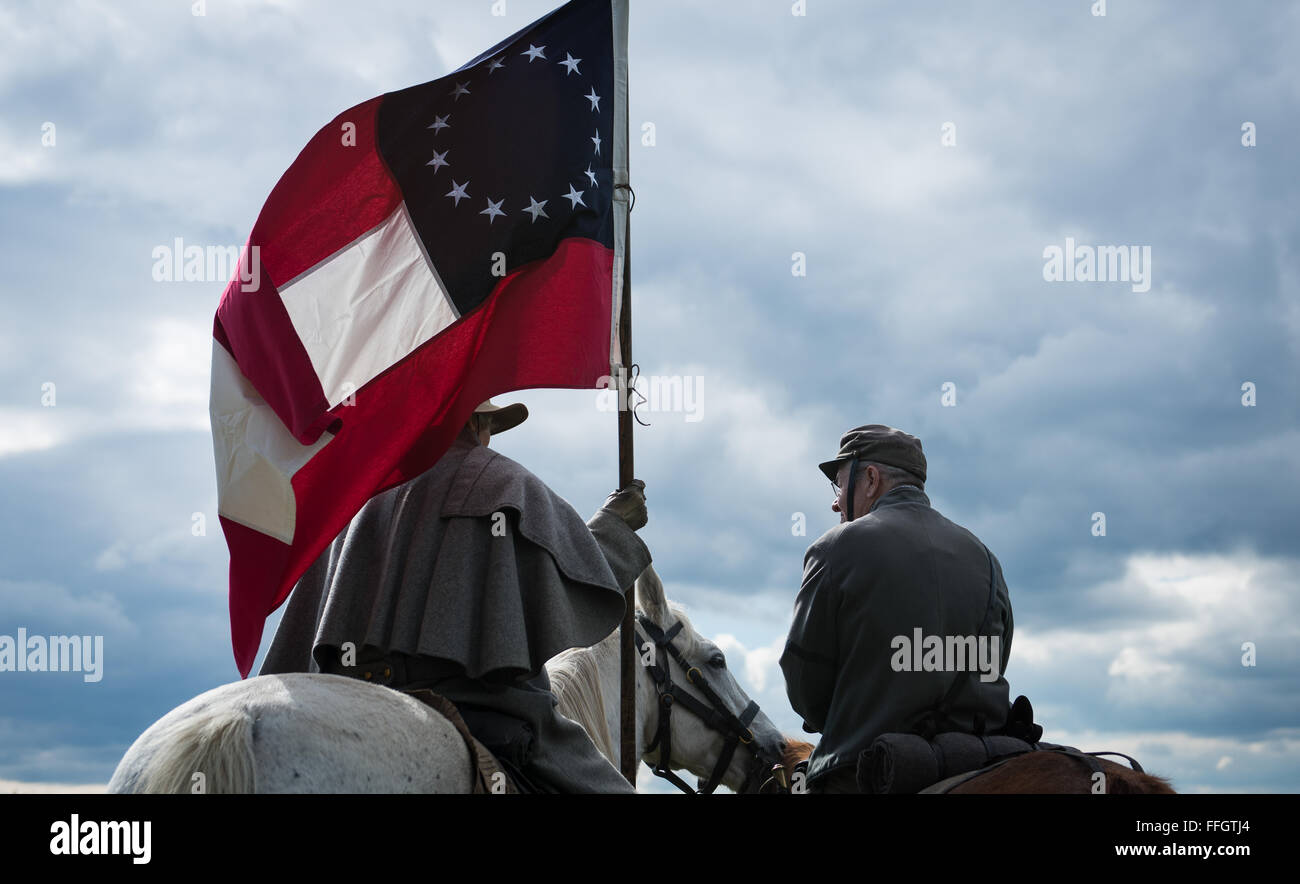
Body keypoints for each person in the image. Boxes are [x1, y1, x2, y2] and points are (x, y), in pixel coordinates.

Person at [259, 399, 650, 793]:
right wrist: (615, 529)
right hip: (479, 713)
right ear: (477, 422)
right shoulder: (502, 484)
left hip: (340, 699)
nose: (489, 439)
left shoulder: (357, 493)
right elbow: (560, 587)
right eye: (489, 427)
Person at [779, 424, 1015, 793]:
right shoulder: (986, 558)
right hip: (979, 762)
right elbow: (992, 664)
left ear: (870, 479)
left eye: (840, 485)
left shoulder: (836, 548)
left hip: (862, 772)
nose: (836, 502)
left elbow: (804, 684)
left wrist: (852, 717)